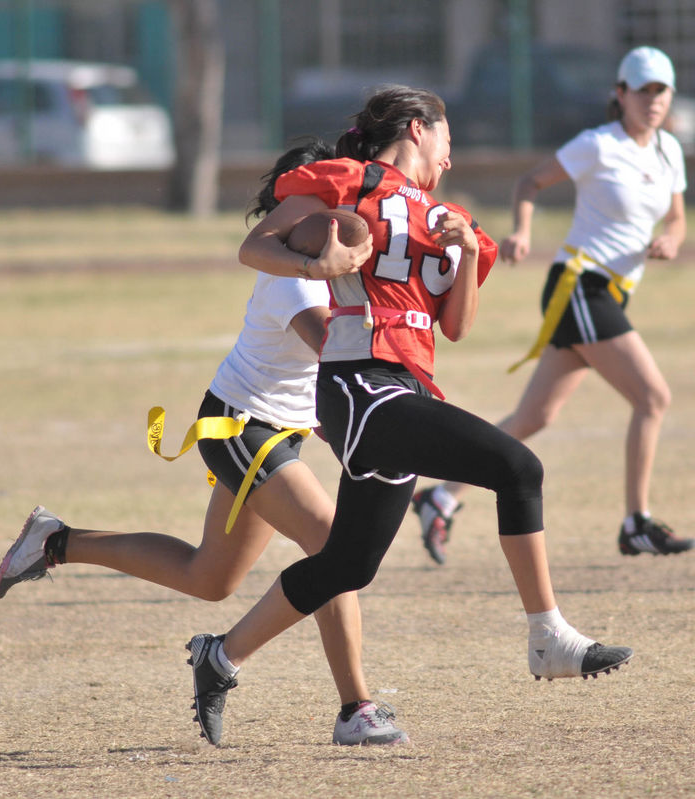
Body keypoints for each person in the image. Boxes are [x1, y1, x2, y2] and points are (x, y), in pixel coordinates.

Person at [182, 85, 634, 746]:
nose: (450, 159)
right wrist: (317, 260)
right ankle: (547, 637)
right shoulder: (350, 182)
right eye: (447, 139)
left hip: (407, 389)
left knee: (347, 565)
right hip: (361, 386)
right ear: (419, 128)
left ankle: (219, 657)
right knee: (517, 466)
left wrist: (472, 253)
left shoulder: (446, 216)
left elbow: (454, 328)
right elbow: (258, 246)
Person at [0, 139, 411, 748]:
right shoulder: (292, 274)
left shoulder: (328, 260)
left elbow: (327, 382)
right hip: (242, 428)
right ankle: (353, 707)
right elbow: (337, 354)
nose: (350, 205)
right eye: (332, 194)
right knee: (332, 543)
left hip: (273, 431)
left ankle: (55, 541)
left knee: (208, 575)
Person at [412, 46, 694, 564]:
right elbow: (529, 182)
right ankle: (636, 523)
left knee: (535, 415)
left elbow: (676, 216)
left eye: (662, 90)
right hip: (579, 285)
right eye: (643, 89)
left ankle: (440, 497)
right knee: (653, 397)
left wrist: (672, 237)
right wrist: (520, 231)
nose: (653, 100)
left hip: (608, 294)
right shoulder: (598, 145)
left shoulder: (669, 152)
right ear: (621, 94)